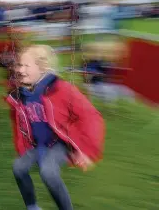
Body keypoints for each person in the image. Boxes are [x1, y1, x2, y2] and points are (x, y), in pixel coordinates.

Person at [6, 45, 105, 210]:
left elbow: (91, 116)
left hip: (59, 143)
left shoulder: (61, 89)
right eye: (19, 65)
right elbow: (20, 124)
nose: (20, 70)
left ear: (42, 68)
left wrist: (86, 149)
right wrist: (23, 146)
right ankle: (32, 207)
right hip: (37, 144)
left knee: (48, 172)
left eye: (26, 66)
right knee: (18, 168)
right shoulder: (22, 94)